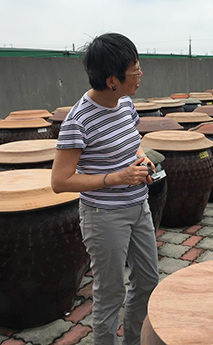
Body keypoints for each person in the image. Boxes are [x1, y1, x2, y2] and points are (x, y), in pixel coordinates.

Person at [51, 33, 159, 345]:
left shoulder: (125, 103)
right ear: (112, 80)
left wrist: (141, 159)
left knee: (149, 279)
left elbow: (134, 140)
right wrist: (114, 178)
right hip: (103, 216)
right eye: (134, 71)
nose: (140, 76)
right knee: (111, 292)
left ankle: (134, 340)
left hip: (139, 206)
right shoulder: (79, 120)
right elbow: (60, 181)